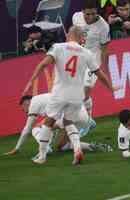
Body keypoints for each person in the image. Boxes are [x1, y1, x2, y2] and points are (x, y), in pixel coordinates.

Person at [22, 26, 117, 165]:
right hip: (77, 96)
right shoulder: (87, 53)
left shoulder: (58, 47)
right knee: (69, 122)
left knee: (48, 123)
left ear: (68, 35)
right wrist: (111, 88)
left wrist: (31, 82)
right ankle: (77, 150)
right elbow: (99, 73)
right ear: (80, 38)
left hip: (60, 92)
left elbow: (43, 65)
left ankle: (42, 156)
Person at [72, 0, 111, 116]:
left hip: (93, 60)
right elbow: (74, 33)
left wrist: (104, 70)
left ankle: (86, 118)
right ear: (82, 11)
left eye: (94, 13)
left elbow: (104, 49)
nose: (91, 16)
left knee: (86, 90)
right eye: (87, 14)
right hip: (78, 57)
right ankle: (87, 117)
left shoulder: (103, 26)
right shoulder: (76, 17)